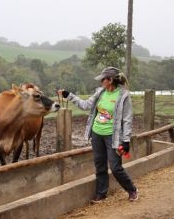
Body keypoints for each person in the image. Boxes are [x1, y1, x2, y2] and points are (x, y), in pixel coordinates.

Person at [58, 66, 138, 203]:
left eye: (103, 79)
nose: (101, 81)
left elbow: (127, 119)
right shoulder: (100, 92)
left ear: (110, 80)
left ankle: (131, 190)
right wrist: (68, 95)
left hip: (113, 137)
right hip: (97, 134)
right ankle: (101, 193)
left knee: (115, 167)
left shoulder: (123, 96)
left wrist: (126, 140)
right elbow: (85, 105)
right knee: (100, 165)